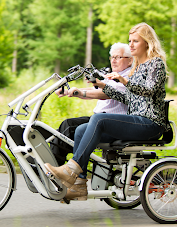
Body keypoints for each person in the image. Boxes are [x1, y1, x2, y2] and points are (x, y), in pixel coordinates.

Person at [45, 22, 167, 201]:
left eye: (135, 41)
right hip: (136, 119)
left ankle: (71, 169)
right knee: (80, 129)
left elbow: (148, 90)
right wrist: (104, 86)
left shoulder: (156, 64)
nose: (131, 44)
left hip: (150, 122)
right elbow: (127, 98)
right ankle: (79, 184)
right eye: (130, 40)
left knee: (99, 120)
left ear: (147, 43)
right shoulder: (138, 67)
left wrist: (124, 81)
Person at [50, 43, 133, 166]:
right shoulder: (112, 76)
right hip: (99, 119)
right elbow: (97, 90)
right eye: (112, 57)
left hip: (112, 122)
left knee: (68, 127)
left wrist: (80, 92)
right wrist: (70, 91)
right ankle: (54, 167)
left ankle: (56, 169)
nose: (113, 61)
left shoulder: (127, 77)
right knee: (60, 133)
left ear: (130, 60)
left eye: (118, 57)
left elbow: (107, 93)